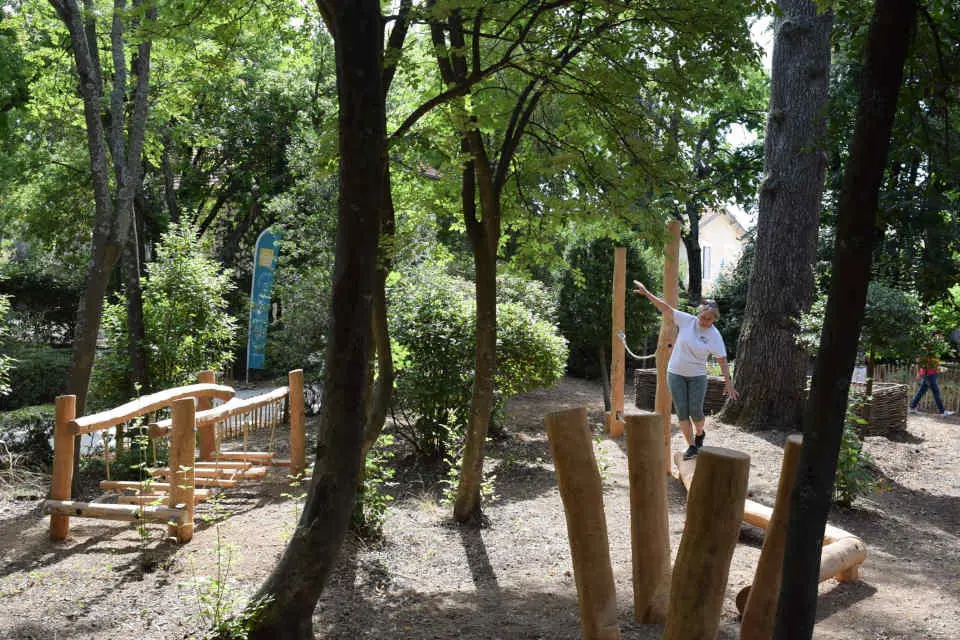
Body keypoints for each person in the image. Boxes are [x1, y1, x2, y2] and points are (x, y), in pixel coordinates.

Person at [633, 280, 739, 459]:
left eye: (709, 319)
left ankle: (700, 433)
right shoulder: (687, 321)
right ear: (698, 314)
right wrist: (647, 293)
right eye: (703, 317)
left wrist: (728, 383)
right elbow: (665, 309)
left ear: (715, 319)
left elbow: (722, 360)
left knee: (696, 412)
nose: (704, 321)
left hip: (697, 376)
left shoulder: (714, 336)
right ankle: (692, 446)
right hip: (675, 373)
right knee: (682, 411)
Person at [908, 329, 954, 416]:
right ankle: (942, 412)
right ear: (935, 336)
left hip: (931, 372)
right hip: (928, 373)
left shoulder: (936, 347)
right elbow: (919, 360)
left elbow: (933, 361)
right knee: (936, 392)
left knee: (921, 391)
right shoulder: (927, 346)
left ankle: (912, 407)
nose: (941, 338)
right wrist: (918, 372)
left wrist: (938, 367)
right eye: (939, 336)